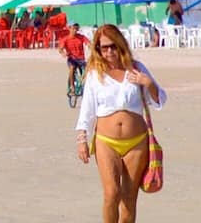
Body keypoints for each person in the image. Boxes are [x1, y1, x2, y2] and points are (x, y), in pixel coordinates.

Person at [74, 24, 167, 223]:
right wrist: (82, 138)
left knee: (129, 198)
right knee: (111, 194)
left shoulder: (137, 68)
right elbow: (87, 109)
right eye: (103, 48)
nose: (109, 52)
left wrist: (147, 83)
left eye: (113, 46)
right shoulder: (94, 73)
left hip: (137, 142)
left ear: (121, 45)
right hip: (106, 141)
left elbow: (160, 100)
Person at [60, 23, 90, 100]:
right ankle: (72, 87)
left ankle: (85, 86)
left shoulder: (81, 37)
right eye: (73, 28)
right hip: (72, 59)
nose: (75, 30)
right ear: (69, 29)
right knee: (72, 68)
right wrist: (63, 53)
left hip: (81, 59)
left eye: (76, 29)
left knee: (89, 70)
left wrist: (92, 48)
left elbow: (89, 43)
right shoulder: (65, 39)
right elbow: (60, 48)